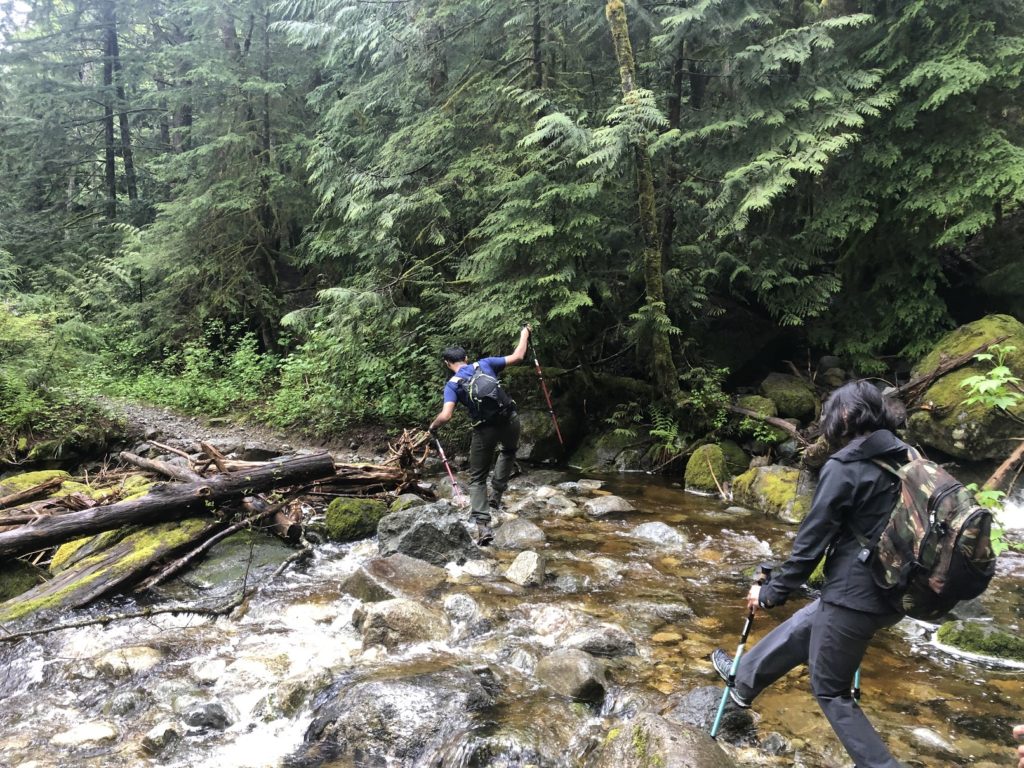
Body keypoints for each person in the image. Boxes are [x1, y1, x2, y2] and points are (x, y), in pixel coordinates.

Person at [711, 380, 909, 768]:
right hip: (901, 587)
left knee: (831, 690)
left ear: (848, 416)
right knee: (816, 618)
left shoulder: (847, 466)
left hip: (860, 592)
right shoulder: (908, 456)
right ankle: (745, 679)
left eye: (832, 414)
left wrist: (771, 592)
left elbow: (812, 540)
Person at [428, 325, 531, 544]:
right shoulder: (484, 363)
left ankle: (483, 525)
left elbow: (446, 416)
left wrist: (433, 426)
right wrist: (524, 333)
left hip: (484, 429)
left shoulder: (452, 384)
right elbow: (519, 356)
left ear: (448, 364)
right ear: (466, 357)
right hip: (510, 419)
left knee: (477, 478)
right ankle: (496, 497)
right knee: (509, 451)